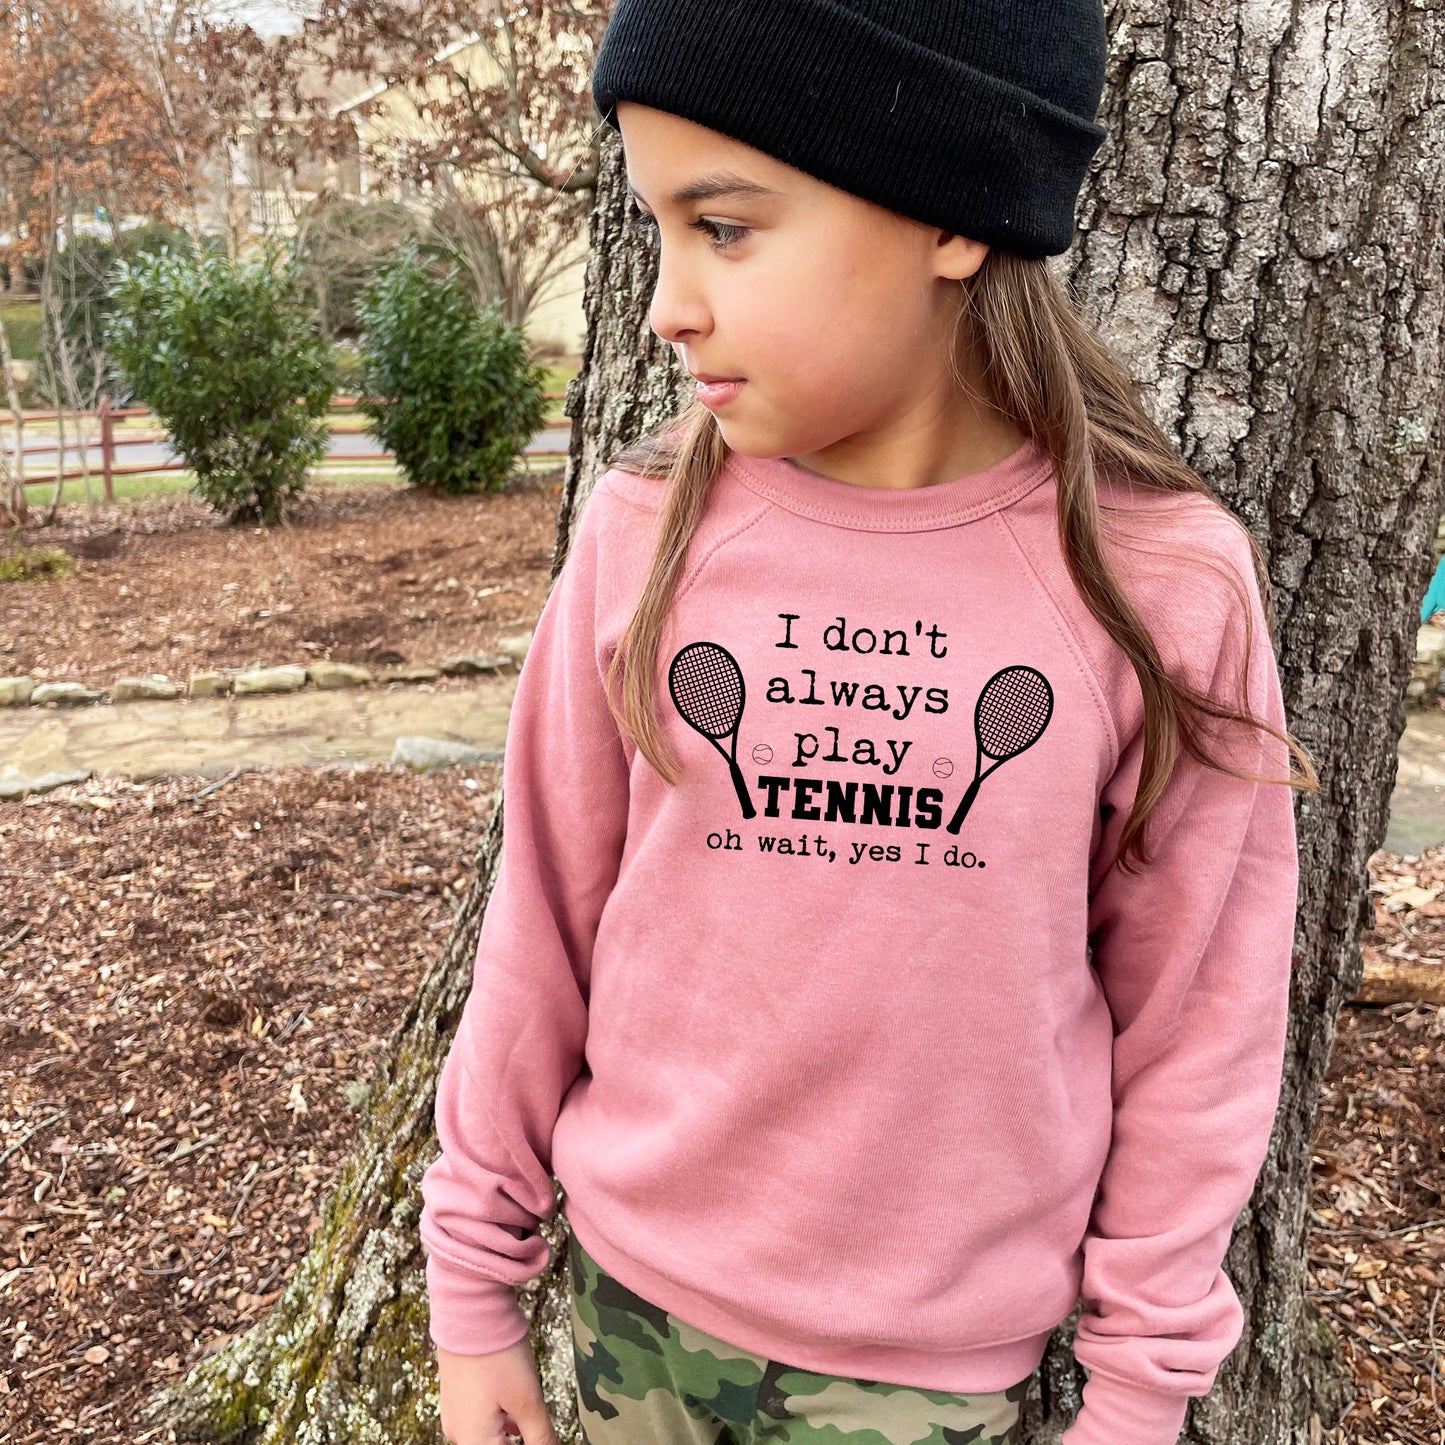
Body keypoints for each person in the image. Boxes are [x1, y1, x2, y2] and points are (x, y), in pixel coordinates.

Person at [418, 3, 1322, 1443]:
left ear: (951, 216)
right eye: (657, 227)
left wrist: (1141, 1389)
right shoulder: (643, 535)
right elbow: (541, 928)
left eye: (723, 226)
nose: (664, 302)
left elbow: (1197, 1026)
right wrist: (473, 1286)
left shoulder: (1155, 584)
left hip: (924, 1376)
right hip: (625, 1312)